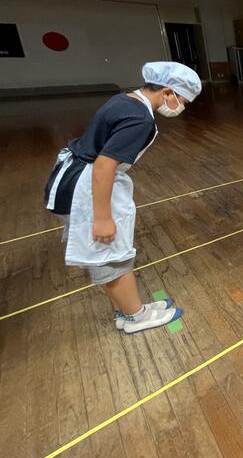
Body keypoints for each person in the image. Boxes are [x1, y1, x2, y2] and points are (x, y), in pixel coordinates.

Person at [44, 62, 202, 333]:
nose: (181, 107)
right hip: (87, 187)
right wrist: (102, 217)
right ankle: (135, 317)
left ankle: (125, 311)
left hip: (74, 177)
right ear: (167, 92)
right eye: (183, 101)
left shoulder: (125, 100)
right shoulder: (140, 119)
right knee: (113, 256)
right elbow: (104, 166)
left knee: (106, 256)